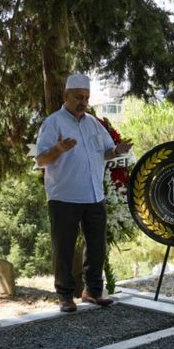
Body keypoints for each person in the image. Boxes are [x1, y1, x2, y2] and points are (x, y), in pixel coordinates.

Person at [35, 73, 132, 312]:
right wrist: (58, 148)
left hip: (94, 195)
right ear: (66, 96)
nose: (83, 101)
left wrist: (118, 150)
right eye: (78, 97)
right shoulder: (53, 123)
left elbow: (106, 153)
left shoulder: (93, 124)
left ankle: (93, 291)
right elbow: (41, 159)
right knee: (65, 248)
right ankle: (65, 296)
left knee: (97, 246)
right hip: (64, 196)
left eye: (86, 97)